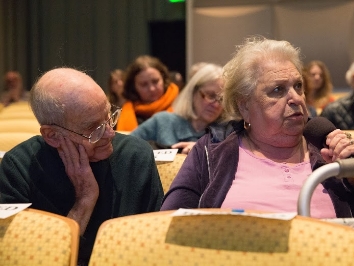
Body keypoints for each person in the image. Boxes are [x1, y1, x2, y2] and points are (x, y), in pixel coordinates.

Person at [160, 37, 354, 264]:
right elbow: (167, 225)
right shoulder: (212, 151)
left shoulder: (328, 147)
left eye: (298, 86)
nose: (295, 98)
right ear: (245, 106)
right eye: (277, 90)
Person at [0, 67, 163, 265]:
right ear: (52, 135)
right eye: (94, 129)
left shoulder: (135, 155)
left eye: (109, 116)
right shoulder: (19, 167)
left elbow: (156, 247)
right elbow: (30, 259)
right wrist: (84, 202)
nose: (110, 133)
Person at [130, 63, 224, 154]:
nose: (216, 105)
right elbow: (125, 146)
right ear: (193, 93)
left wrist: (204, 150)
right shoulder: (163, 121)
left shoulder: (230, 131)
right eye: (210, 96)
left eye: (222, 99)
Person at [116, 55, 180, 131]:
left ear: (164, 79)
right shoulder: (123, 114)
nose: (152, 89)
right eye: (144, 84)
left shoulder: (181, 105)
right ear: (133, 87)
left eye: (155, 81)